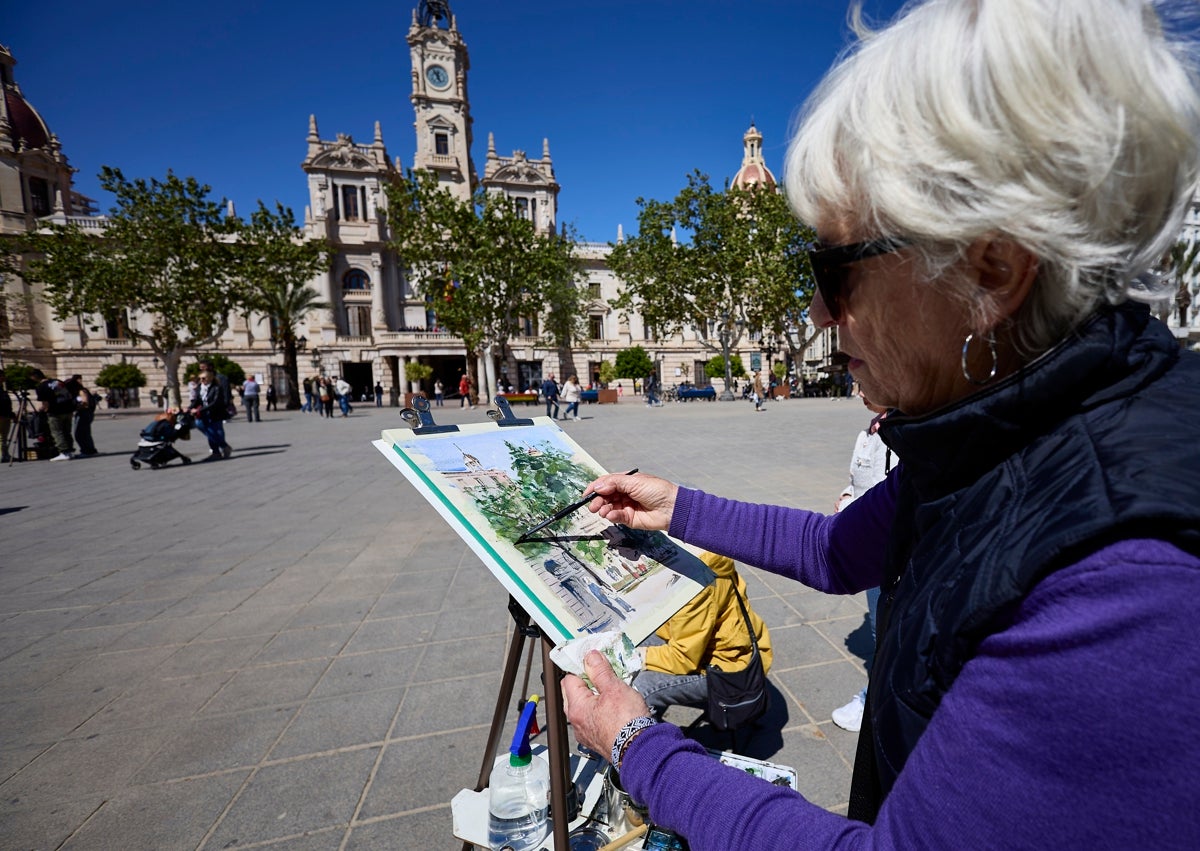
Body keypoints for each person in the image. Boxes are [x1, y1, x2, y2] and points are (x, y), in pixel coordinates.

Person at [560, 2, 1200, 848]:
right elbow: (836, 550)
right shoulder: (1002, 428)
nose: (819, 314)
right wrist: (673, 504)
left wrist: (639, 745)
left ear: (992, 268)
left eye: (835, 269)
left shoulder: (1125, 582)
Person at [633, 551, 772, 722]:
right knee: (630, 643)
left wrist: (636, 656)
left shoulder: (693, 583)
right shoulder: (704, 551)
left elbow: (682, 659)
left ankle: (649, 744)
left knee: (637, 694)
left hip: (725, 667)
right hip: (693, 642)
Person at [830, 392, 893, 732]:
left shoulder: (905, 431)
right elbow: (862, 481)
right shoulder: (870, 431)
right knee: (878, 629)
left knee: (886, 630)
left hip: (895, 550)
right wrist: (848, 496)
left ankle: (877, 699)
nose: (861, 393)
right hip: (872, 547)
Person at [31, 368, 75, 461]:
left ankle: (64, 452)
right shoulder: (57, 381)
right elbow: (69, 394)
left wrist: (42, 410)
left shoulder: (41, 387)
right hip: (68, 410)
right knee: (67, 432)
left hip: (55, 412)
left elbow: (45, 403)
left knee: (57, 432)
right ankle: (70, 451)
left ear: (34, 377)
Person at [188, 369, 232, 461]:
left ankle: (216, 452)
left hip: (216, 412)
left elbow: (214, 402)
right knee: (201, 426)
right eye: (200, 379)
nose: (201, 380)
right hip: (205, 412)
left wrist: (199, 410)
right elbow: (197, 400)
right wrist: (190, 408)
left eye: (203, 378)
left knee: (215, 431)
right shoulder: (200, 387)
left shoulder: (217, 387)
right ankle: (223, 446)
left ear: (210, 378)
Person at [66, 374, 98, 456]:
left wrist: (76, 407)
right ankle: (90, 450)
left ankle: (87, 450)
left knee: (80, 434)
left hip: (84, 413)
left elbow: (85, 403)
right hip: (86, 413)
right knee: (85, 433)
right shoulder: (82, 391)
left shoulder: (81, 391)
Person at [0, 369, 14, 463]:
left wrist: (11, 414)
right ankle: (2, 455)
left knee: (4, 437)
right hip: (1, 415)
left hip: (6, 415)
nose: (4, 378)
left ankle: (5, 454)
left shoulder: (3, 388)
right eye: (2, 376)